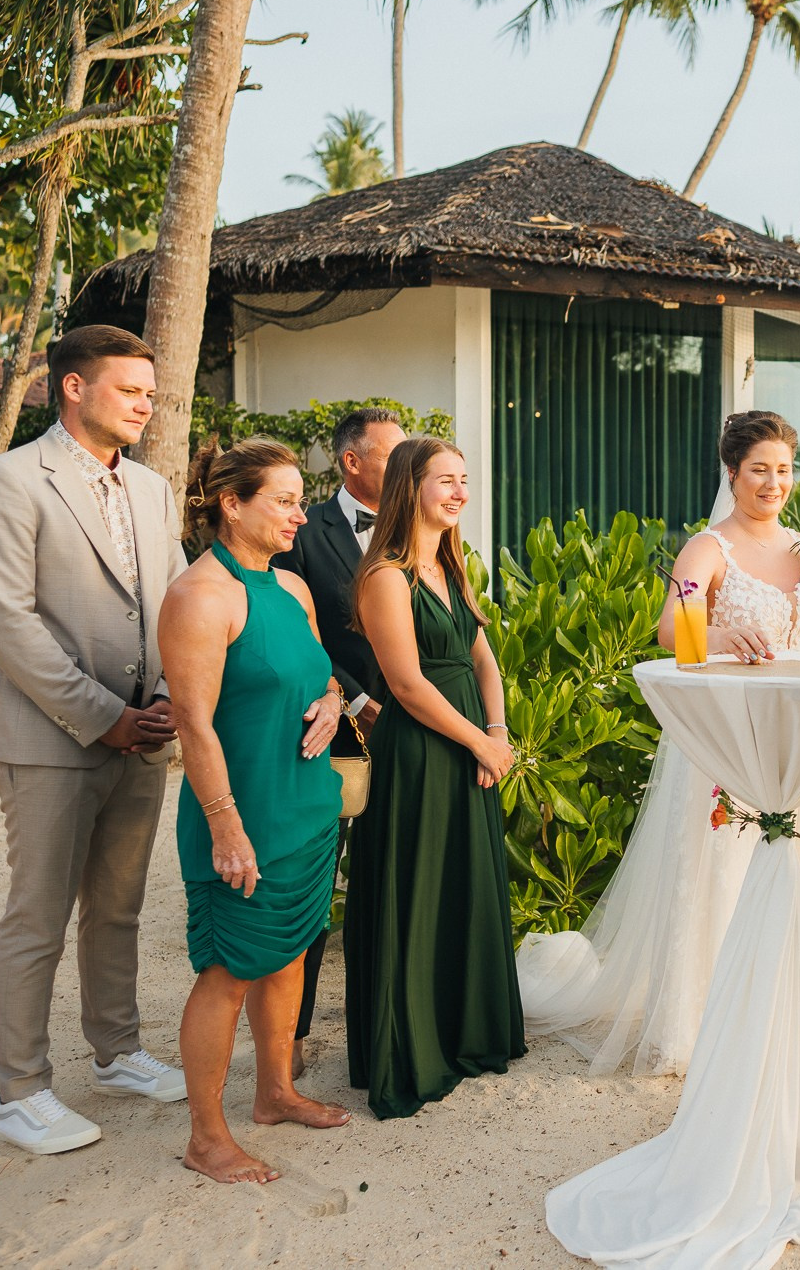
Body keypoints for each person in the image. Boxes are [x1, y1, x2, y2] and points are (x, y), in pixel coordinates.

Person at [516, 411, 800, 1078]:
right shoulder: (707, 550)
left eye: (785, 469)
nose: (775, 482)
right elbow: (668, 632)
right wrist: (714, 637)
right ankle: (710, 1025)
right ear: (733, 473)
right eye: (760, 469)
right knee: (726, 876)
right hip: (727, 739)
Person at [0, 325, 188, 1156]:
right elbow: (9, 625)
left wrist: (165, 696)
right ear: (74, 388)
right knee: (39, 916)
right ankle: (19, 1093)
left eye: (149, 393)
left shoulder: (156, 491)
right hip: (53, 740)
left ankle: (118, 1050)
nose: (144, 404)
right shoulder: (7, 480)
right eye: (130, 389)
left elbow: (177, 600)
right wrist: (106, 715)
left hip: (146, 732)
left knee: (118, 907)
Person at [156, 438, 353, 1182]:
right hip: (242, 814)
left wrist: (334, 700)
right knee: (228, 970)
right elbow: (194, 723)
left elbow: (318, 672)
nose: (301, 513)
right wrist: (225, 824)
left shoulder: (293, 590)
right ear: (232, 504)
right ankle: (207, 1136)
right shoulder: (200, 596)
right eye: (286, 499)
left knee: (292, 951)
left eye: (302, 499)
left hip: (305, 807)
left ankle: (274, 1092)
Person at [344, 437, 525, 1119]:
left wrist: (497, 733)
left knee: (464, 882)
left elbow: (484, 659)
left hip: (473, 741)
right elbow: (406, 685)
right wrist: (479, 738)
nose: (459, 492)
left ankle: (466, 1031)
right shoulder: (386, 575)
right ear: (408, 487)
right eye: (445, 480)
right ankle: (415, 1045)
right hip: (422, 749)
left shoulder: (452, 565)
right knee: (417, 889)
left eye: (464, 480)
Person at [270, 406, 406, 1077]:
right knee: (317, 884)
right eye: (392, 454)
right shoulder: (304, 531)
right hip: (332, 727)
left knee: (395, 876)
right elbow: (298, 629)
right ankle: (288, 1038)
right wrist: (354, 695)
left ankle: (387, 1020)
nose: (406, 466)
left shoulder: (421, 527)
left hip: (414, 727)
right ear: (352, 461)